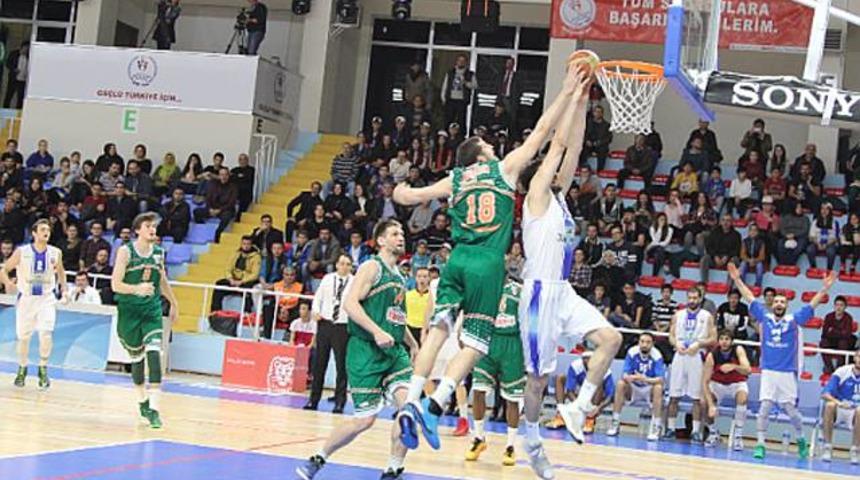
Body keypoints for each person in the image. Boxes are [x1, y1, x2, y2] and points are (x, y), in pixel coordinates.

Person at [390, 57, 587, 460]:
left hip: (456, 260)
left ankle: (412, 398)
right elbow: (544, 133)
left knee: (439, 332)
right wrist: (568, 92)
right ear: (480, 155)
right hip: (486, 264)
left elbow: (407, 197)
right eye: (489, 146)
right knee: (475, 345)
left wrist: (400, 191)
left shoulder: (455, 178)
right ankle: (435, 404)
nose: (495, 147)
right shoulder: (503, 169)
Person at [516, 68, 620, 479]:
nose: (557, 169)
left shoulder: (558, 200)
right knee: (537, 380)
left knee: (610, 340)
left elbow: (572, 146)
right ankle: (532, 439)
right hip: (539, 295)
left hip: (565, 293)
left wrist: (583, 98)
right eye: (548, 168)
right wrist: (572, 92)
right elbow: (558, 144)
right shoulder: (535, 197)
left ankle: (578, 409)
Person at [296, 220, 417, 480]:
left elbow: (394, 317)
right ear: (381, 241)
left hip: (394, 353)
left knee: (407, 408)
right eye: (395, 233)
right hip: (365, 351)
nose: (401, 237)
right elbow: (351, 304)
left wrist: (412, 343)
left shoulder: (399, 275)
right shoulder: (372, 267)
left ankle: (393, 469)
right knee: (364, 420)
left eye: (402, 233)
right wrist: (376, 331)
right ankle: (318, 457)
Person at [728, 262, 835, 460]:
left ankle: (801, 439)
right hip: (769, 370)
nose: (778, 304)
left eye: (782, 302)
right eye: (776, 301)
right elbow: (749, 297)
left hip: (787, 372)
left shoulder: (794, 320)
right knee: (765, 407)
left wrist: (825, 288)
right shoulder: (764, 317)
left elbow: (812, 304)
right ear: (772, 304)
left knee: (791, 410)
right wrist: (736, 280)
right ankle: (760, 444)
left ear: (786, 305)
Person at [110, 212, 178, 429]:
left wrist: (174, 303)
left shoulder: (159, 252)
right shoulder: (125, 251)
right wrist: (137, 289)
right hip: (129, 313)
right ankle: (143, 402)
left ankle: (156, 410)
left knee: (155, 353)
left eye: (154, 226)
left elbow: (163, 279)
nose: (152, 229)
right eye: (148, 226)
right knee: (137, 361)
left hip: (152, 310)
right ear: (137, 230)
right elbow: (115, 285)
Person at [465, 278, 525, 466]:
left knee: (512, 399)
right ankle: (479, 437)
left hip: (512, 345)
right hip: (487, 342)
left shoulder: (520, 290)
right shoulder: (484, 287)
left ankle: (510, 445)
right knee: (478, 389)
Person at [0, 219, 66, 389]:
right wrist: (8, 283)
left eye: (48, 230)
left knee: (46, 334)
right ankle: (22, 368)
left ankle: (43, 368)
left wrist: (64, 290)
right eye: (43, 229)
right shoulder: (22, 252)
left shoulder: (55, 252)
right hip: (27, 299)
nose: (46, 232)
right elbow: (4, 269)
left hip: (46, 298)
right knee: (24, 338)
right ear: (34, 233)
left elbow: (61, 272)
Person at [663, 287, 716, 441]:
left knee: (696, 397)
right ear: (687, 298)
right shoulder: (678, 315)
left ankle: (696, 430)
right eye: (690, 297)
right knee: (674, 395)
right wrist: (676, 344)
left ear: (700, 298)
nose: (692, 300)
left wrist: (699, 344)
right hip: (680, 355)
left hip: (696, 356)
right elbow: (671, 335)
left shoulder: (707, 316)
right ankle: (671, 428)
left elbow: (713, 338)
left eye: (695, 298)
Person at [305, 255, 353, 413]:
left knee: (341, 366)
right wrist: (316, 312)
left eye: (347, 264)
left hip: (343, 326)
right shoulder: (327, 278)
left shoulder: (354, 282)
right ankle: (313, 399)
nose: (344, 266)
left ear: (351, 266)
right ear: (336, 265)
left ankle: (340, 402)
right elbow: (318, 297)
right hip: (325, 324)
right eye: (341, 263)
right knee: (319, 364)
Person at [607, 333, 666, 440]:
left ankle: (656, 426)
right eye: (642, 341)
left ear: (652, 344)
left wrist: (644, 379)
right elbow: (625, 373)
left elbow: (660, 379)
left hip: (649, 388)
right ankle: (615, 422)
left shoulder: (657, 356)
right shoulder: (632, 352)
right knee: (621, 384)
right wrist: (630, 377)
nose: (644, 345)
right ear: (638, 342)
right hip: (634, 387)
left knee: (658, 388)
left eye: (648, 342)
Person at [701, 329, 751, 450]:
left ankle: (738, 436)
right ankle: (713, 433)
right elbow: (704, 381)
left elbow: (748, 370)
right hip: (718, 384)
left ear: (731, 341)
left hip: (736, 383)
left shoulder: (738, 350)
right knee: (704, 402)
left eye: (727, 339)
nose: (724, 342)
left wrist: (734, 366)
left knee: (742, 398)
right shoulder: (712, 355)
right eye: (722, 339)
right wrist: (711, 405)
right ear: (718, 341)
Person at [820, 349, 860, 464]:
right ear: (855, 358)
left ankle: (855, 450)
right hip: (840, 408)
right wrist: (839, 403)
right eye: (859, 356)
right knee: (829, 405)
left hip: (856, 412)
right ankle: (827, 447)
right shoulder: (842, 372)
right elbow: (825, 394)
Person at [210, 236, 261, 312]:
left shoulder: (256, 257)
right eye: (244, 244)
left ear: (251, 245)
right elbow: (228, 268)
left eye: (248, 244)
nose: (246, 246)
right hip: (233, 280)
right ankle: (216, 311)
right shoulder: (236, 254)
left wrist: (242, 281)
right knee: (219, 284)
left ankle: (247, 313)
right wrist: (230, 279)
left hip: (246, 282)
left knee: (249, 290)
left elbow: (255, 274)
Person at [192, 167, 237, 243]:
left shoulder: (233, 187)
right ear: (219, 176)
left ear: (228, 176)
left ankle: (218, 234)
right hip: (212, 208)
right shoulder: (213, 184)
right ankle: (202, 228)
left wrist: (219, 210)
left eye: (226, 175)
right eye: (221, 175)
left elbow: (231, 203)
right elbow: (208, 198)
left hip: (225, 210)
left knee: (226, 216)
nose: (223, 177)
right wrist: (210, 209)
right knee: (196, 211)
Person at [440, 54, 477, 132]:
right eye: (459, 60)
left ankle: (461, 136)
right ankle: (446, 134)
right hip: (451, 99)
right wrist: (443, 98)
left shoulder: (470, 74)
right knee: (448, 119)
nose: (461, 62)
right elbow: (445, 85)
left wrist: (466, 83)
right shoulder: (450, 72)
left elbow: (475, 85)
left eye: (463, 61)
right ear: (456, 62)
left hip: (462, 100)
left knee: (461, 120)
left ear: (466, 63)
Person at [820, 296, 856, 375]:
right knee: (823, 343)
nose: (838, 307)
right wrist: (840, 332)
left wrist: (833, 331)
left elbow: (847, 335)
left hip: (842, 342)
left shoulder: (848, 318)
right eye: (837, 305)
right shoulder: (828, 316)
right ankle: (829, 368)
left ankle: (839, 368)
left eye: (841, 305)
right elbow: (824, 333)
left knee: (843, 343)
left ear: (845, 307)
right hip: (831, 341)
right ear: (834, 306)